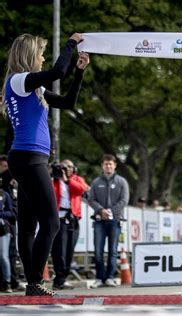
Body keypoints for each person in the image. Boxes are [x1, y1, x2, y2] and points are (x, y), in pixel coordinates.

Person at [1, 33, 89, 296]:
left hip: (29, 159)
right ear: (29, 55)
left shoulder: (34, 87)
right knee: (51, 223)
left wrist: (80, 72)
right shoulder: (19, 81)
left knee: (28, 227)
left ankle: (32, 283)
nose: (42, 57)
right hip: (28, 159)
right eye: (40, 53)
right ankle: (36, 281)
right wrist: (70, 45)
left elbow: (68, 103)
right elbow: (58, 71)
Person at [88, 154, 129, 289]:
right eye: (106, 164)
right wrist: (101, 211)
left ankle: (110, 277)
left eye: (111, 164)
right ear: (102, 165)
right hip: (99, 220)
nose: (108, 166)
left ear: (115, 165)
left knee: (113, 250)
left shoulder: (122, 182)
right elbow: (91, 199)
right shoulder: (96, 182)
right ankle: (99, 278)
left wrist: (110, 212)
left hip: (115, 220)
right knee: (98, 251)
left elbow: (124, 200)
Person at [51, 159, 89, 290]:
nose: (67, 169)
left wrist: (67, 180)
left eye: (70, 167)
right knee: (59, 250)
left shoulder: (76, 179)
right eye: (64, 166)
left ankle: (63, 278)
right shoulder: (54, 181)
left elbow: (82, 190)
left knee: (69, 251)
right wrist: (54, 174)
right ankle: (59, 279)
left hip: (73, 219)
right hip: (59, 219)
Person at [0, 155, 24, 292]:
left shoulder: (12, 185)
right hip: (6, 223)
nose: (7, 170)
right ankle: (7, 280)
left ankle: (12, 280)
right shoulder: (4, 185)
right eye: (4, 167)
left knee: (11, 253)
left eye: (8, 167)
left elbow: (13, 209)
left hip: (9, 224)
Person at [0, 183, 15, 293]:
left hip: (3, 229)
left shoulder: (4, 194)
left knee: (3, 256)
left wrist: (1, 213)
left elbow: (11, 213)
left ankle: (7, 282)